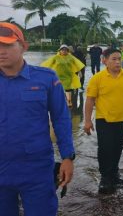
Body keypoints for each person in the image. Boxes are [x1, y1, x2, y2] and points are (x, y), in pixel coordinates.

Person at [0, 22, 75, 216]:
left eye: (7, 45)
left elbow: (61, 118)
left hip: (36, 168)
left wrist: (67, 156)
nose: (1, 51)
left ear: (24, 46)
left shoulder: (46, 78)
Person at [84, 48, 123, 194]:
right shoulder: (97, 78)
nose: (118, 61)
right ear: (104, 60)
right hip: (104, 120)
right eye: (114, 59)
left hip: (122, 119)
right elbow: (90, 100)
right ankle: (105, 178)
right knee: (105, 149)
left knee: (117, 148)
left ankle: (114, 173)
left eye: (119, 58)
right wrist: (87, 121)